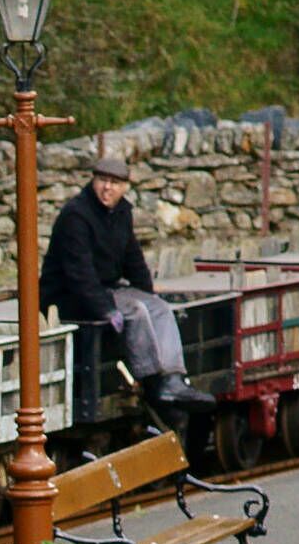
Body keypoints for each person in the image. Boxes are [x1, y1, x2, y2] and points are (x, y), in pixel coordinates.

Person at [41, 159, 192, 416]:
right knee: (135, 311)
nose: (107, 188)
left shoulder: (122, 213)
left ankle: (173, 378)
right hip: (68, 295)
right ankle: (151, 379)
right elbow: (80, 274)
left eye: (114, 183)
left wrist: (147, 291)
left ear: (125, 187)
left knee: (159, 308)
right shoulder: (76, 216)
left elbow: (132, 257)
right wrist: (106, 309)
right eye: (102, 181)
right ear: (93, 181)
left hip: (106, 287)